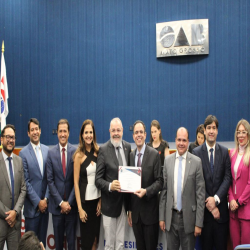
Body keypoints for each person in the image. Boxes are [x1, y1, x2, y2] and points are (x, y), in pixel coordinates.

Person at [159, 127, 205, 250]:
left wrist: (198, 223)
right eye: (179, 140)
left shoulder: (196, 162)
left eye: (184, 140)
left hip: (189, 220)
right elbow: (164, 191)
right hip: (171, 218)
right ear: (175, 140)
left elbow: (200, 195)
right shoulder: (168, 161)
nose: (181, 143)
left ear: (188, 141)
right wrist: (162, 217)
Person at [193, 115, 231, 250]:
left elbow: (227, 178)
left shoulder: (225, 152)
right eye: (208, 128)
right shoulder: (196, 153)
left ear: (217, 131)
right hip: (204, 217)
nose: (211, 131)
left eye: (214, 128)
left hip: (221, 216)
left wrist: (215, 200)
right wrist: (210, 205)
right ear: (204, 130)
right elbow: (196, 183)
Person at [95, 117, 131, 250]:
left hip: (123, 205)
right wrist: (110, 186)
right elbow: (98, 180)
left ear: (122, 131)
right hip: (109, 205)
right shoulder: (103, 150)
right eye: (113, 130)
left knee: (121, 244)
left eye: (119, 130)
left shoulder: (127, 147)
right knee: (109, 245)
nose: (116, 133)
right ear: (110, 131)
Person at [128, 120, 163, 250]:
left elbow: (160, 181)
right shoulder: (130, 156)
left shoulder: (154, 154)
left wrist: (146, 191)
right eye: (136, 132)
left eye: (141, 132)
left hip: (150, 215)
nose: (138, 135)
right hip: (136, 216)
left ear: (145, 134)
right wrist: (129, 210)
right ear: (133, 136)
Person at [46, 119, 77, 250]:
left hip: (71, 208)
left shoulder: (75, 152)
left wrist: (68, 203)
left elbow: (77, 181)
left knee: (71, 244)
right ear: (57, 133)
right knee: (58, 244)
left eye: (65, 131)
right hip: (57, 209)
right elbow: (50, 181)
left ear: (68, 133)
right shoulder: (50, 153)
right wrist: (61, 203)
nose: (62, 134)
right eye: (60, 131)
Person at [19, 118, 49, 247]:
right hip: (32, 210)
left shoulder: (47, 150)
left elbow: (49, 178)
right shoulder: (23, 153)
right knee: (29, 247)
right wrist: (38, 202)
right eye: (32, 130)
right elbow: (25, 182)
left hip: (45, 209)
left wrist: (46, 200)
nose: (35, 132)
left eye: (37, 129)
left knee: (42, 245)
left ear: (40, 131)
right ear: (28, 133)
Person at [74, 120, 101, 250]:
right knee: (86, 242)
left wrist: (100, 201)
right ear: (82, 135)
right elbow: (75, 182)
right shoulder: (78, 156)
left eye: (91, 132)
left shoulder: (99, 152)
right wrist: (79, 208)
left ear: (93, 134)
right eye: (86, 133)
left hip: (96, 205)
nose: (89, 135)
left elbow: (102, 178)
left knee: (95, 239)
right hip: (84, 206)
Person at [0, 124, 26, 250]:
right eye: (8, 137)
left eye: (13, 138)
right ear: (2, 139)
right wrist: (7, 215)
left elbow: (23, 189)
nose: (11, 140)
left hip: (15, 224)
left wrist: (15, 212)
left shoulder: (19, 161)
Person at [228, 119, 250, 249]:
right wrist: (231, 199)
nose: (240, 135)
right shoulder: (232, 154)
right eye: (238, 132)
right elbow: (229, 180)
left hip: (246, 211)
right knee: (235, 246)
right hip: (233, 211)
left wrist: (239, 201)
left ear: (248, 134)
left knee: (245, 247)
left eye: (243, 132)